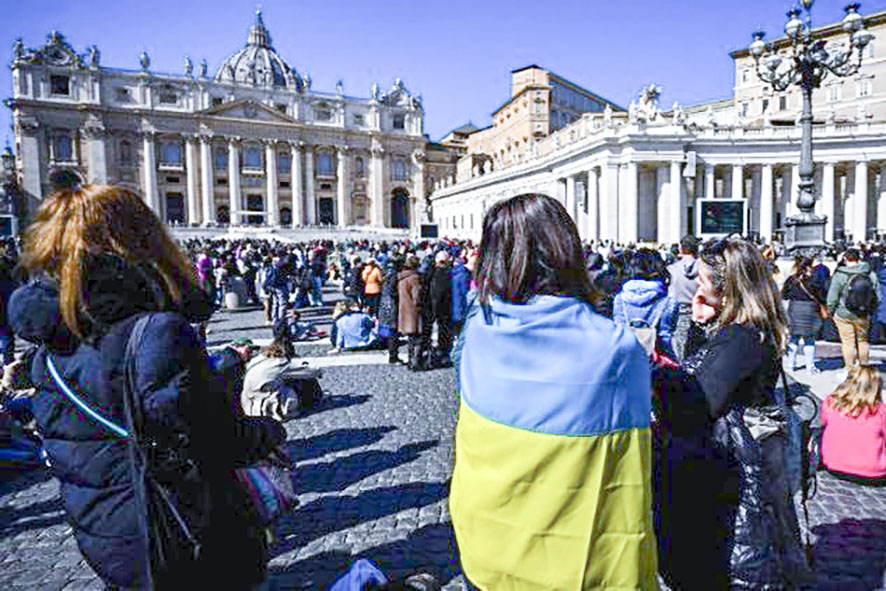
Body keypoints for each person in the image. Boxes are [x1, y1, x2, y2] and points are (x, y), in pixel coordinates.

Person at [8, 180, 284, 590]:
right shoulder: (154, 332)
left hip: (106, 531)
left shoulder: (50, 342)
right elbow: (213, 438)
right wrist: (268, 433)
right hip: (178, 533)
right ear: (142, 241)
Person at [449, 194, 657, 590]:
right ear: (567, 250)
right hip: (574, 566)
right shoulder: (614, 349)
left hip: (484, 543)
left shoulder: (477, 331)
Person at [653, 237, 808, 591]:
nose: (698, 286)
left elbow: (694, 402)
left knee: (728, 560)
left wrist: (655, 372)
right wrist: (699, 323)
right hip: (738, 460)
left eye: (704, 281)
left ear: (728, 289)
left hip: (732, 471)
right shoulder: (745, 331)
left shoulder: (741, 339)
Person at [821, 364, 886, 483]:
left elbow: (824, 422)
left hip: (833, 465)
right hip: (873, 471)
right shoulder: (881, 411)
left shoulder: (831, 402)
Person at [613, 248, 679, 359]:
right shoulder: (669, 302)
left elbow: (619, 330)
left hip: (626, 359)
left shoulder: (620, 299)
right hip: (658, 361)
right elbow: (665, 336)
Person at [826, 248, 879, 370]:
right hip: (863, 314)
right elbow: (877, 296)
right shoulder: (870, 273)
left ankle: (850, 370)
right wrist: (871, 311)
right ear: (859, 259)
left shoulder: (840, 275)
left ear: (845, 259)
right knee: (863, 341)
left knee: (848, 342)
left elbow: (832, 297)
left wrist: (831, 311)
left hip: (844, 313)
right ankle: (864, 369)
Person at [781, 256, 827, 373]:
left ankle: (791, 365)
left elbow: (784, 295)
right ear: (808, 266)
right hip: (810, 310)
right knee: (809, 339)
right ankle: (810, 367)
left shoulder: (791, 280)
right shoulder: (814, 280)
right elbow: (821, 296)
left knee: (793, 338)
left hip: (794, 308)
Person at [666, 235, 699, 361]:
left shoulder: (671, 269)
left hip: (677, 312)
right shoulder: (705, 268)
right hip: (699, 312)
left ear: (681, 249)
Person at [422, 251, 453, 368]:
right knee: (441, 334)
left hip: (431, 308)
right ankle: (439, 356)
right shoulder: (444, 274)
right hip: (440, 309)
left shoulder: (428, 272)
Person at [398, 256, 424, 371]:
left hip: (404, 310)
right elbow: (416, 296)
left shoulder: (402, 278)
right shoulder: (414, 278)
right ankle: (415, 362)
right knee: (417, 338)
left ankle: (410, 360)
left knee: (410, 339)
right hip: (413, 311)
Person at [378, 256, 402, 364]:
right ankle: (393, 355)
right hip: (391, 304)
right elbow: (392, 291)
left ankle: (392, 353)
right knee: (393, 330)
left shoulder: (386, 274)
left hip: (385, 303)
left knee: (389, 330)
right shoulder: (393, 275)